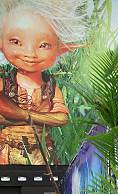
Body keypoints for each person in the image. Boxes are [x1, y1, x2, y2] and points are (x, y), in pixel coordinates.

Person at [0, 0, 84, 165]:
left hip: (42, 155)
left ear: (60, 48)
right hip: (6, 153)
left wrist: (23, 115)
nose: (30, 53)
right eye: (16, 42)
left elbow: (62, 118)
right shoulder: (5, 80)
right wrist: (43, 118)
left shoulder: (50, 86)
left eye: (44, 45)